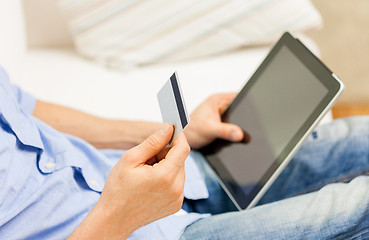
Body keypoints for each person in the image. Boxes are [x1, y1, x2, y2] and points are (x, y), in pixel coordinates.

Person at [1, 65, 369, 240]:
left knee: (359, 136)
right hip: (125, 228)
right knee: (357, 208)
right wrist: (118, 216)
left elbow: (22, 108)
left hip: (144, 173)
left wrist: (173, 135)